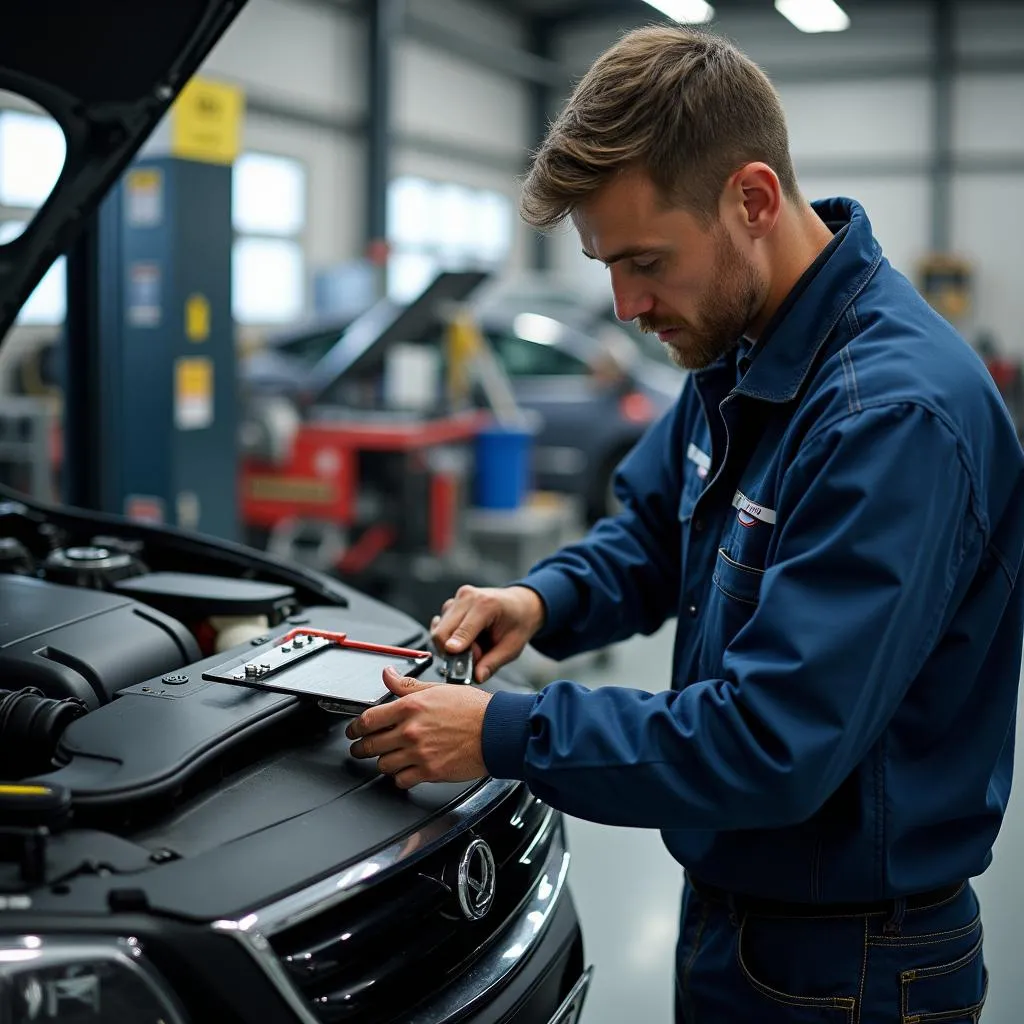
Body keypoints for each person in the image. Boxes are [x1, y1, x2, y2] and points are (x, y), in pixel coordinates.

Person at [348, 24, 1024, 1021]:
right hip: (739, 918)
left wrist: (505, 731)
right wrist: (541, 598)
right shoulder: (740, 345)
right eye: (604, 266)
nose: (624, 305)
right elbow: (657, 531)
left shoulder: (889, 419)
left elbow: (770, 741)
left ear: (751, 198)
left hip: (851, 964)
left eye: (644, 260)